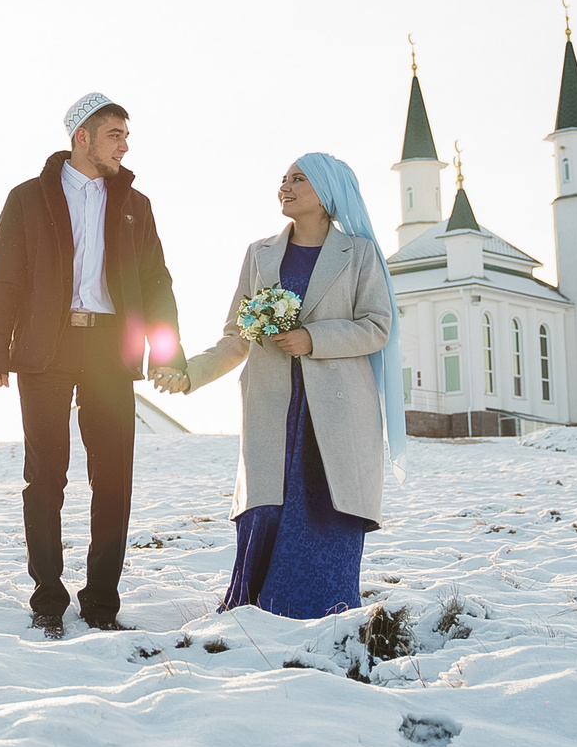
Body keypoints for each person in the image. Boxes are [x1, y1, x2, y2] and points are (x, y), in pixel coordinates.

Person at [161, 153, 406, 618]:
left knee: (326, 503)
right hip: (273, 404)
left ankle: (324, 610)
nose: (285, 186)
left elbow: (377, 326)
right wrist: (190, 372)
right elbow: (237, 335)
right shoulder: (260, 254)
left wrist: (312, 338)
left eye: (299, 179)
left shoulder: (361, 254)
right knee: (268, 503)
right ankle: (257, 610)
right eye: (283, 179)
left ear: (328, 192)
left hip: (337, 410)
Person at [0, 93, 185, 634]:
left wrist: (168, 352)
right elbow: (3, 278)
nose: (123, 144)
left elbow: (158, 282)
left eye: (126, 135)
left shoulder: (136, 204)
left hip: (110, 350)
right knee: (45, 477)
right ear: (82, 138)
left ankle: (101, 605)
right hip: (45, 349)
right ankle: (48, 600)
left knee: (114, 479)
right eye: (114, 133)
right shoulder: (27, 199)